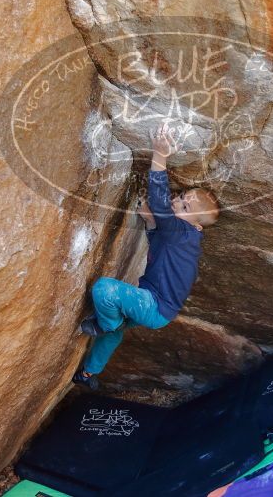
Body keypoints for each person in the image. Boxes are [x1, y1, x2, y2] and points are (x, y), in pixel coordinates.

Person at [73, 123, 220, 390]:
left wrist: (160, 155)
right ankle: (87, 374)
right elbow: (161, 244)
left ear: (196, 225)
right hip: (157, 308)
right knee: (114, 334)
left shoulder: (181, 230)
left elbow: (161, 201)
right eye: (182, 197)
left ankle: (106, 325)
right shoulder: (183, 237)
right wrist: (151, 223)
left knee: (105, 291)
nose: (178, 202)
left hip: (152, 306)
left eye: (185, 206)